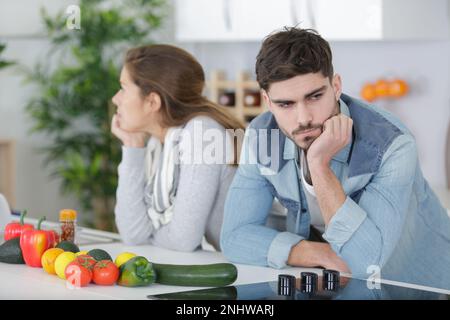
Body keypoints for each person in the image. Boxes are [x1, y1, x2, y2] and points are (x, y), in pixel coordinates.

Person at [221, 27, 450, 289]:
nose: (303, 117)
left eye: (315, 96)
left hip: (420, 287)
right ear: (268, 102)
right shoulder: (261, 136)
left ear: (336, 86)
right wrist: (315, 252)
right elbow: (235, 237)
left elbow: (365, 264)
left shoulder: (392, 145)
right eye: (286, 104)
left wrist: (319, 166)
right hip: (335, 284)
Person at [112, 44, 244, 251]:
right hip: (243, 263)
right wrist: (132, 147)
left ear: (152, 102)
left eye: (123, 88)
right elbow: (134, 235)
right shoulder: (160, 143)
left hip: (275, 268)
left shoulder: (200, 133)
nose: (115, 99)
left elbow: (183, 240)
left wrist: (151, 237)